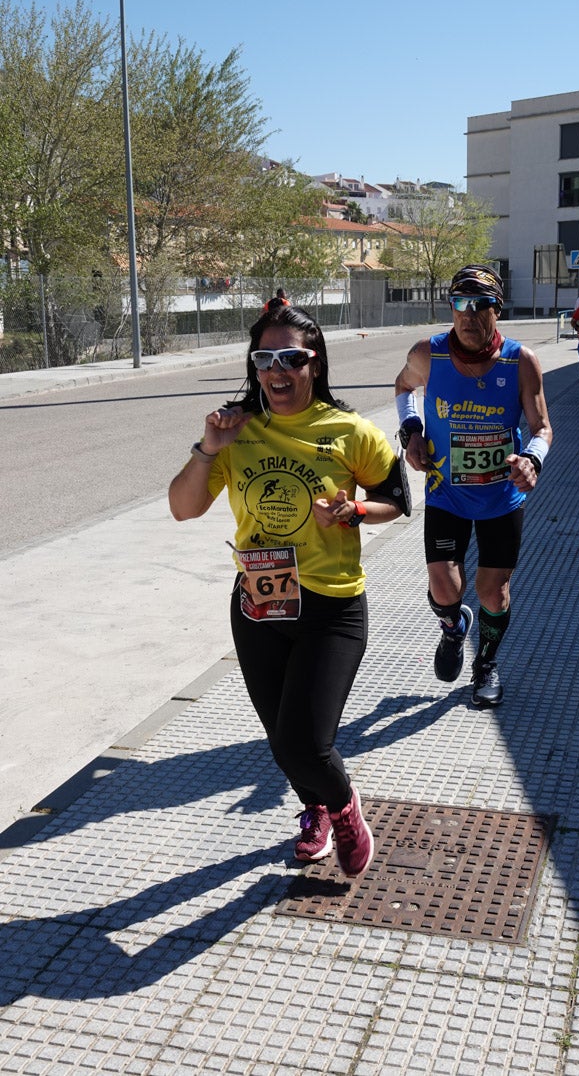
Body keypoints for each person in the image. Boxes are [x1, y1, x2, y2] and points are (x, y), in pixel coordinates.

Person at [169, 304, 410, 878]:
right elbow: (183, 508)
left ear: (314, 363)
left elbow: (398, 501)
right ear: (254, 367)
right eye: (264, 359)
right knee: (283, 739)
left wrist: (353, 511)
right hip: (259, 603)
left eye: (290, 358)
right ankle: (315, 810)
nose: (277, 370)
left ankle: (344, 807)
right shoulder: (237, 430)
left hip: (332, 607)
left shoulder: (351, 432)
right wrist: (208, 447)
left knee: (305, 742)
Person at [393, 264, 553, 709]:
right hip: (447, 492)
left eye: (481, 304)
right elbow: (403, 387)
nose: (470, 313)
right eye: (461, 303)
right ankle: (451, 627)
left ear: (497, 310)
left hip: (502, 496)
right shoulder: (429, 353)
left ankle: (485, 663)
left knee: (492, 591)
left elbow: (542, 426)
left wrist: (533, 458)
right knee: (446, 588)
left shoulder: (521, 361)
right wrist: (411, 431)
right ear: (451, 307)